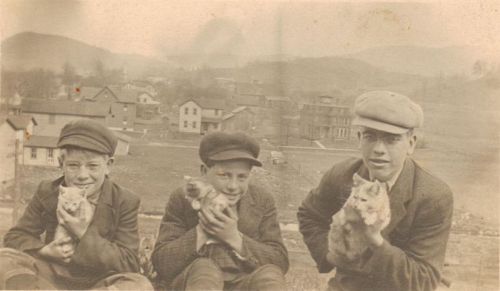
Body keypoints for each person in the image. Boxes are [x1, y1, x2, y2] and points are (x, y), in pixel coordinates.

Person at [297, 91, 454, 291]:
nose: (378, 149)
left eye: (391, 140)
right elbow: (309, 215)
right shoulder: (342, 175)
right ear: (358, 138)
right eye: (370, 136)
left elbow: (423, 279)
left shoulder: (433, 197)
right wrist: (331, 254)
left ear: (411, 143)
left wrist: (375, 240)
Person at [0, 119, 153, 290]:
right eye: (73, 165)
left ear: (108, 165)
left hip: (100, 280)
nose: (82, 175)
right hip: (51, 277)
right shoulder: (48, 192)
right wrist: (44, 251)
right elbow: (16, 237)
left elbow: (129, 263)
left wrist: (82, 231)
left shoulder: (124, 200)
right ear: (61, 163)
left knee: (139, 285)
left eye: (93, 166)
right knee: (4, 260)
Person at [152, 131, 289, 290]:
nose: (233, 186)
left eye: (242, 177)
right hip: (195, 282)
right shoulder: (183, 198)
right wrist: (203, 232)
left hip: (242, 283)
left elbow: (280, 262)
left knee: (269, 276)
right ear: (204, 171)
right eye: (224, 175)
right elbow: (161, 262)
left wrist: (234, 238)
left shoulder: (261, 200)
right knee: (204, 270)